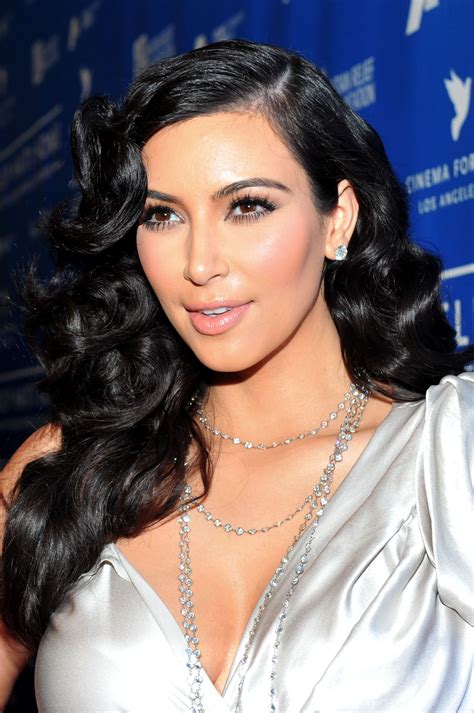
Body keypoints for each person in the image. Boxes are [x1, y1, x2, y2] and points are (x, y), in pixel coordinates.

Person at [0, 38, 472, 713]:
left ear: (338, 218)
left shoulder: (449, 456)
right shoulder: (67, 468)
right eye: (162, 215)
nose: (200, 263)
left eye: (247, 206)